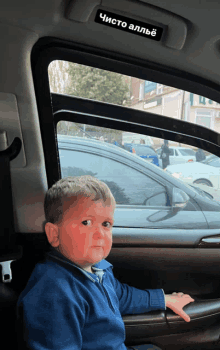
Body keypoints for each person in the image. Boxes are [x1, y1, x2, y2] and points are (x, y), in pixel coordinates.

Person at [16, 175, 194, 350]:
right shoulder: (53, 292)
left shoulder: (99, 268)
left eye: (106, 224)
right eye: (86, 222)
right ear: (54, 234)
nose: (99, 233)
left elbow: (121, 296)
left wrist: (162, 299)